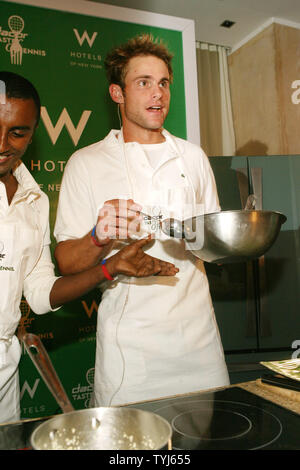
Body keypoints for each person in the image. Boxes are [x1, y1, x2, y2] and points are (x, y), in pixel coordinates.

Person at [54, 34, 230, 407]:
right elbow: (66, 262)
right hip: (129, 355)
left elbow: (215, 247)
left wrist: (228, 239)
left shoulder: (193, 157)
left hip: (199, 344)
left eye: (163, 83)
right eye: (144, 82)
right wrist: (99, 236)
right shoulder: (87, 163)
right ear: (117, 93)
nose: (158, 94)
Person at [0, 71, 177, 423]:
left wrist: (110, 268)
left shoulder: (34, 200)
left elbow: (39, 294)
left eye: (17, 132)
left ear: (34, 133)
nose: (2, 142)